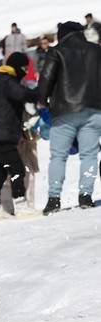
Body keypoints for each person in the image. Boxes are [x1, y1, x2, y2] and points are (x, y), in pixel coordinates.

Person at [38, 21, 101, 214]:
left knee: (58, 156)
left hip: (64, 111)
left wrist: (42, 101)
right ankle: (85, 195)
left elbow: (47, 78)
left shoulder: (57, 51)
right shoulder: (96, 50)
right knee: (89, 155)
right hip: (94, 109)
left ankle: (54, 199)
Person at [0, 52, 39, 222]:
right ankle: (20, 206)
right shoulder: (7, 80)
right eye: (24, 68)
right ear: (18, 67)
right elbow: (22, 94)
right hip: (1, 135)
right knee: (17, 168)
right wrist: (40, 92)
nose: (25, 71)